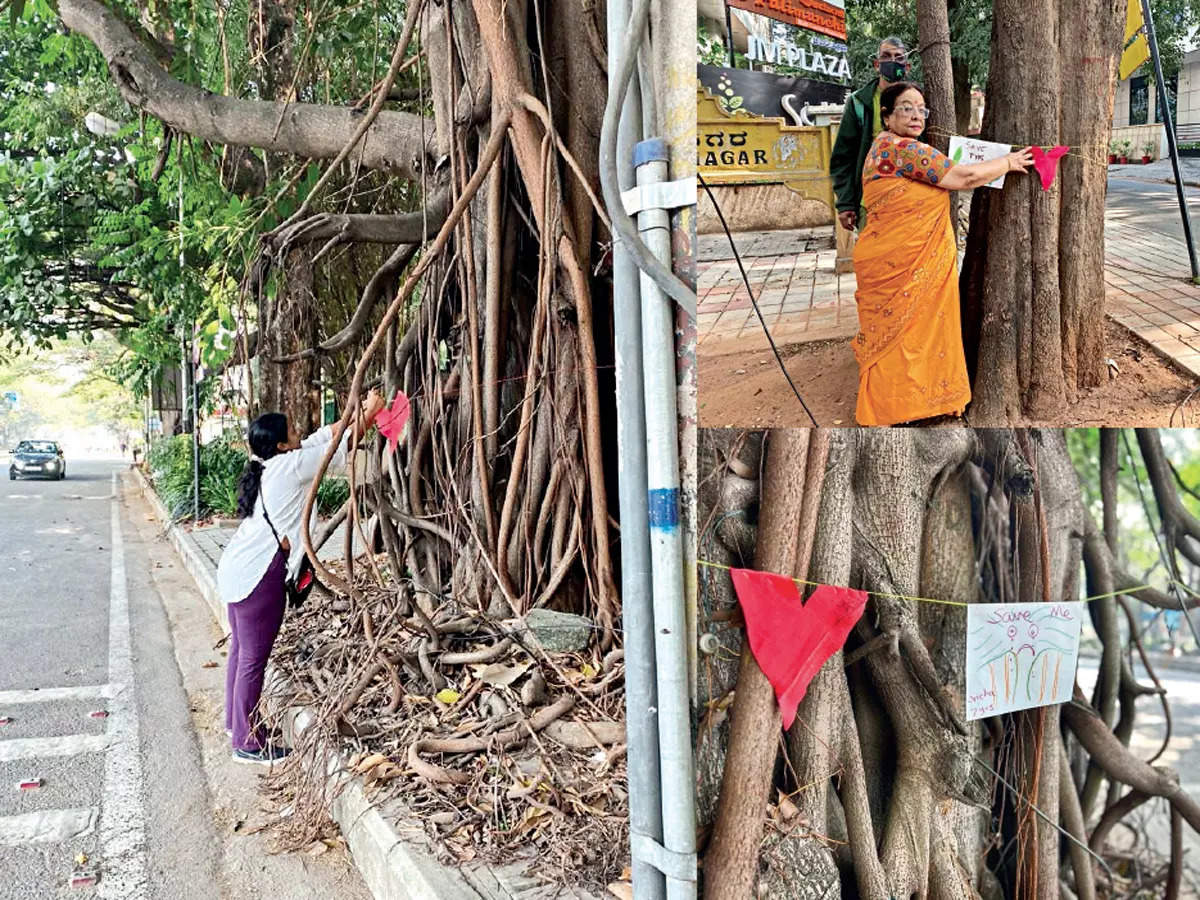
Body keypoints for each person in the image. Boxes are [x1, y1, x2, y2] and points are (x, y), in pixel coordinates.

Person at [216, 390, 386, 764]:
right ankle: (247, 743)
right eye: (292, 430)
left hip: (237, 569)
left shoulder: (274, 463)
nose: (299, 432)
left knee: (242, 652)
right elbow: (340, 445)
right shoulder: (290, 468)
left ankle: (237, 724)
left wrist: (354, 412)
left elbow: (325, 437)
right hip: (259, 574)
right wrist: (372, 413)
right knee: (252, 660)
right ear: (280, 444)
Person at [851, 82, 1033, 426]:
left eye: (921, 109)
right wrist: (1008, 161)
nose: (916, 115)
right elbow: (964, 177)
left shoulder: (881, 147)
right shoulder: (903, 149)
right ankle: (904, 406)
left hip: (888, 258)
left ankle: (898, 403)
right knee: (906, 335)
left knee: (905, 336)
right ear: (887, 115)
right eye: (906, 107)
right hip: (902, 264)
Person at [829, 36, 913, 233]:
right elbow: (843, 157)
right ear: (877, 64)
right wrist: (846, 203)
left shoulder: (919, 101)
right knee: (874, 258)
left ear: (907, 66)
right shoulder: (859, 102)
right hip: (871, 201)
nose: (892, 61)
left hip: (910, 199)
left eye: (898, 57)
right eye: (886, 56)